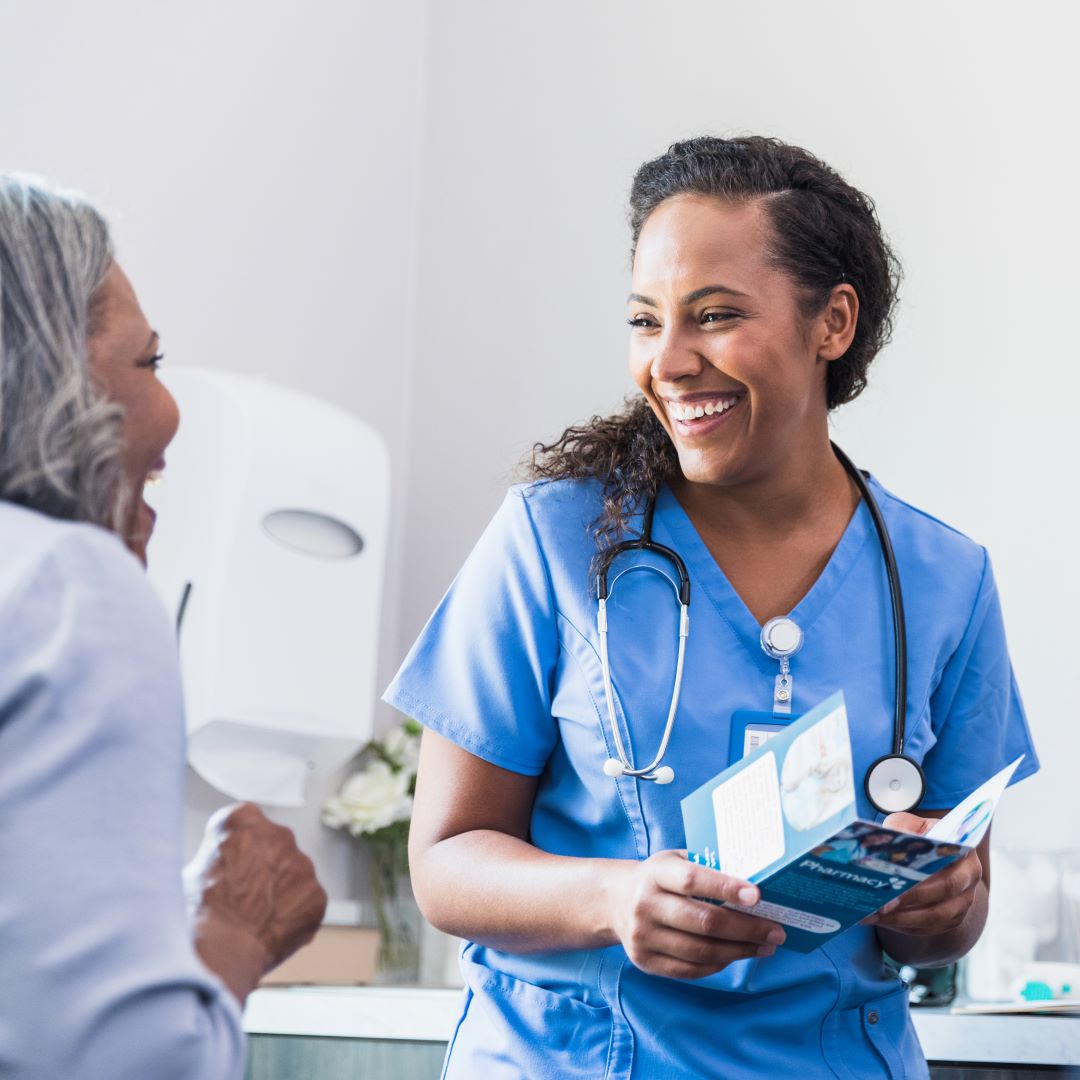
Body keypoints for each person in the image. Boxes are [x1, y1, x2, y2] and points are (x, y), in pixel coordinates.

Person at [387, 136, 1039, 1078]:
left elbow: (950, 914)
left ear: (833, 322)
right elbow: (444, 860)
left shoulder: (944, 580)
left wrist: (945, 908)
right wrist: (614, 899)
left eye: (716, 316)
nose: (671, 361)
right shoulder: (555, 542)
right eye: (646, 322)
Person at [0, 176, 328, 1079]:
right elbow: (124, 1062)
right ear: (42, 375)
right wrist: (231, 929)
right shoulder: (66, 588)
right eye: (146, 364)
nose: (172, 411)